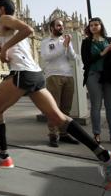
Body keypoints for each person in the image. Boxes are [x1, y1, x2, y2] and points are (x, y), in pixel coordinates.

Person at [0, 0, 111, 190]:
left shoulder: (5, 19)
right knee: (58, 117)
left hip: (22, 74)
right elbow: (20, 48)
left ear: (1, 9)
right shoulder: (9, 27)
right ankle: (107, 157)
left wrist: (6, 48)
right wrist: (4, 49)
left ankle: (3, 156)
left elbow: (29, 30)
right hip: (35, 74)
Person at [81, 17, 111, 146]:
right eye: (91, 26)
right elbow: (87, 61)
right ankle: (96, 135)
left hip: (110, 76)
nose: (94, 27)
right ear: (89, 28)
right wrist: (104, 52)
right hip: (93, 75)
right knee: (96, 106)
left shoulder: (109, 40)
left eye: (96, 24)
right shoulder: (86, 42)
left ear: (101, 26)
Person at [40, 19, 80, 147]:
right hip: (53, 76)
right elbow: (47, 57)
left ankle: (63, 134)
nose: (61, 27)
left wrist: (68, 46)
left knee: (65, 108)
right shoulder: (46, 42)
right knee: (54, 108)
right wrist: (63, 47)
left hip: (68, 76)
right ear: (52, 28)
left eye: (62, 26)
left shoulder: (65, 41)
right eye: (58, 25)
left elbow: (73, 58)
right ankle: (53, 134)